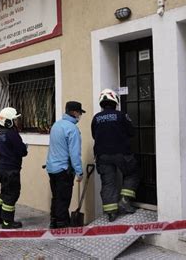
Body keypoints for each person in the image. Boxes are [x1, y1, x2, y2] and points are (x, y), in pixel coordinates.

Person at [91, 89, 139, 222]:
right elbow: (132, 132)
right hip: (122, 153)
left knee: (108, 183)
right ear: (115, 102)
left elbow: (94, 135)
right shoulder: (122, 115)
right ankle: (125, 200)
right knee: (132, 173)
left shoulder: (96, 118)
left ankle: (111, 212)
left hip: (102, 156)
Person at [46, 101, 85, 229]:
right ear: (74, 112)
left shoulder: (56, 125)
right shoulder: (72, 129)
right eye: (79, 113)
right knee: (63, 198)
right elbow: (74, 154)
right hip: (64, 170)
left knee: (56, 197)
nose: (80, 115)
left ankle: (54, 222)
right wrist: (79, 172)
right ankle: (62, 226)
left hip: (52, 168)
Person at [0, 107, 28, 229]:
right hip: (12, 170)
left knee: (5, 192)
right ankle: (7, 222)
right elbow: (22, 151)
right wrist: (24, 148)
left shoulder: (3, 133)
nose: (18, 122)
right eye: (15, 120)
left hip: (3, 168)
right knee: (12, 194)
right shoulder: (13, 134)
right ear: (8, 121)